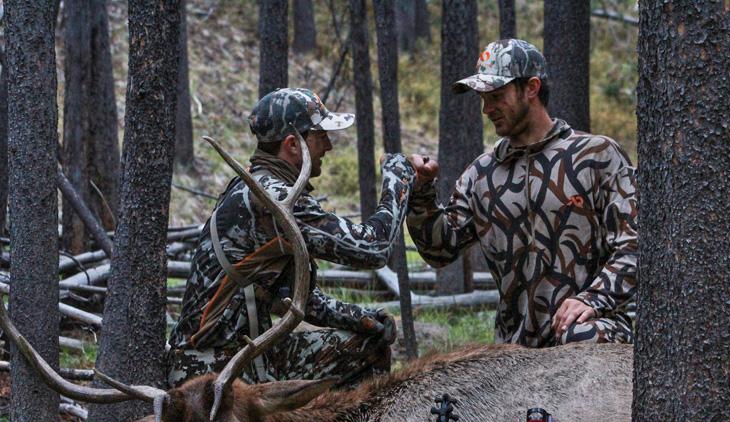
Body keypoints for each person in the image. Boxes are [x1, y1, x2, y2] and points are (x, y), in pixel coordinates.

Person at [167, 88, 418, 387]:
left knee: (364, 339)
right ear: (292, 145)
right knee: (368, 350)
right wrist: (398, 179)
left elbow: (296, 300)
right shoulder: (273, 198)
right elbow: (374, 248)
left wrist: (359, 317)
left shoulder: (255, 187)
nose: (328, 146)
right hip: (214, 371)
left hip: (217, 360)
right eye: (320, 136)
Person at [407, 39, 638, 347]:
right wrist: (421, 191)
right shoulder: (481, 174)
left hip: (592, 332)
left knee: (577, 334)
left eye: (497, 96)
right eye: (482, 98)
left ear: (532, 87)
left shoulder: (597, 156)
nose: (487, 109)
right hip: (513, 351)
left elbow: (636, 243)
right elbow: (440, 249)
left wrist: (594, 299)